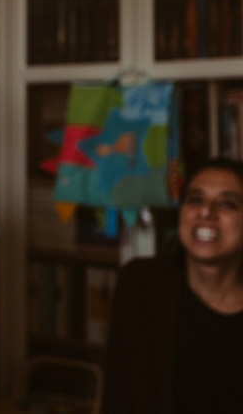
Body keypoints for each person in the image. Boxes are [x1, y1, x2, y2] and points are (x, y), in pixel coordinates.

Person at [101, 156, 243, 414]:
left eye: (227, 203)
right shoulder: (140, 285)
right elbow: (116, 396)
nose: (206, 212)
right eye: (196, 199)